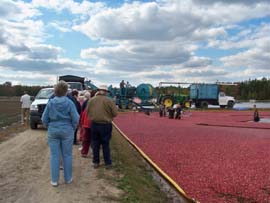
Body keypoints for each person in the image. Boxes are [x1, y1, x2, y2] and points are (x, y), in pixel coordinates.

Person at [42, 81, 79, 187]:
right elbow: (76, 118)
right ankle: (68, 179)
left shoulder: (51, 103)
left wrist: (48, 126)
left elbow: (44, 118)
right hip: (67, 130)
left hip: (53, 130)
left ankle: (54, 180)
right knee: (67, 155)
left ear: (55, 91)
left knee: (54, 155)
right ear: (66, 91)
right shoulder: (70, 103)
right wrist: (73, 127)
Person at [87, 85, 118, 169]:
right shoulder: (109, 101)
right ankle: (107, 163)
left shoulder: (91, 100)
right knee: (105, 144)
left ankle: (96, 162)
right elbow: (115, 113)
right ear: (106, 92)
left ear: (98, 90)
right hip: (105, 125)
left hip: (94, 124)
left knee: (95, 144)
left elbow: (87, 112)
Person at [79, 91, 92, 157]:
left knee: (85, 139)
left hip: (86, 125)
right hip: (92, 125)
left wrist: (81, 124)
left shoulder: (85, 109)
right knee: (93, 139)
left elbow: (82, 117)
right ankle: (93, 152)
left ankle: (84, 152)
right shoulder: (94, 110)